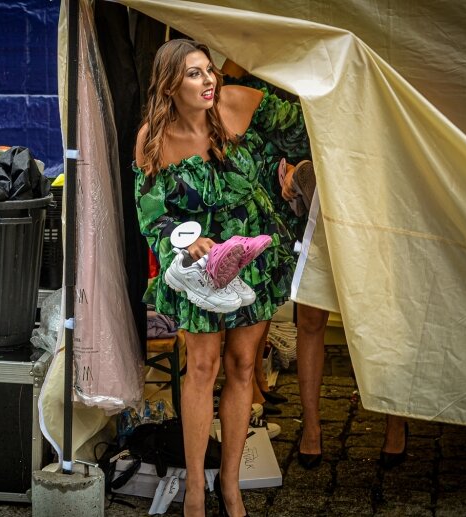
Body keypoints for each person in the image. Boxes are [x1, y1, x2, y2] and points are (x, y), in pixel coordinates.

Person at [134, 39, 296, 517]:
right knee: (202, 369)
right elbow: (151, 217)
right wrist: (184, 244)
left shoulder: (237, 103)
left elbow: (308, 130)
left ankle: (230, 484)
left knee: (245, 365)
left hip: (251, 258)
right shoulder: (153, 138)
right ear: (169, 85)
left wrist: (294, 170)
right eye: (194, 74)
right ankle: (195, 493)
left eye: (209, 71)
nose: (208, 81)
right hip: (201, 272)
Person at [222, 60, 409, 470]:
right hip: (318, 202)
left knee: (384, 316)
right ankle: (311, 428)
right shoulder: (283, 81)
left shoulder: (370, 71)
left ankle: (396, 424)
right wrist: (297, 174)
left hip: (375, 195)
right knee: (310, 317)